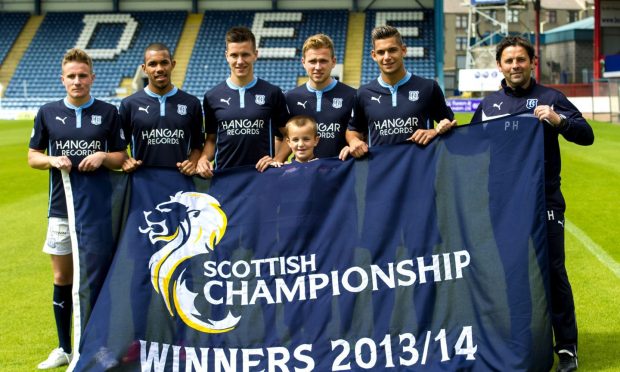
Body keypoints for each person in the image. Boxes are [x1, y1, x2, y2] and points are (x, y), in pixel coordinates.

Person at [471, 35, 594, 372]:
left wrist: (559, 121)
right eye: (508, 61)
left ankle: (566, 347)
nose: (515, 66)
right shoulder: (490, 105)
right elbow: (469, 148)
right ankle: (521, 338)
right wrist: (441, 133)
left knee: (553, 271)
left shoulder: (550, 98)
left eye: (520, 60)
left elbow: (586, 135)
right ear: (499, 65)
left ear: (531, 62)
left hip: (545, 202)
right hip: (504, 205)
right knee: (510, 272)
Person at [28, 48, 127, 369]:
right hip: (60, 208)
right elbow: (33, 156)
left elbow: (120, 157)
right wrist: (50, 160)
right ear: (63, 79)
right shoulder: (47, 113)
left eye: (83, 75)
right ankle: (63, 348)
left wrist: (103, 156)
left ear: (92, 78)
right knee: (62, 277)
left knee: (96, 278)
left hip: (98, 210)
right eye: (71, 76)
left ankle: (99, 346)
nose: (77, 81)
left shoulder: (108, 113)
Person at [346, 25, 456, 158]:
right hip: (380, 172)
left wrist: (434, 131)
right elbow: (353, 130)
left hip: (420, 171)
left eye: (392, 50)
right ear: (374, 55)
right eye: (381, 52)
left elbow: (451, 125)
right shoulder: (363, 93)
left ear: (403, 50)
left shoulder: (428, 87)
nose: (387, 57)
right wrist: (354, 141)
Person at [197, 26, 290, 176]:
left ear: (255, 55)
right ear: (227, 56)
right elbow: (211, 139)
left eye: (245, 54)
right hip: (224, 177)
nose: (240, 61)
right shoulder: (212, 96)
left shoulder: (272, 92)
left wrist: (277, 159)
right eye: (234, 55)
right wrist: (203, 159)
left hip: (263, 177)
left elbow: (288, 135)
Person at [120, 43, 203, 174]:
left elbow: (197, 146)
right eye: (152, 64)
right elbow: (119, 147)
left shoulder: (192, 103)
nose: (159, 69)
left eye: (164, 63)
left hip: (181, 181)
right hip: (142, 182)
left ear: (173, 65)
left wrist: (192, 163)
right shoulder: (129, 104)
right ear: (144, 68)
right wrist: (126, 160)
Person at [284, 34, 354, 161]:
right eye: (312, 61)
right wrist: (277, 159)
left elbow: (362, 136)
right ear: (303, 62)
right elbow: (284, 137)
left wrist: (353, 145)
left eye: (323, 61)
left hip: (340, 174)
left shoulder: (353, 96)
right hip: (303, 175)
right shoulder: (290, 98)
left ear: (333, 62)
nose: (317, 67)